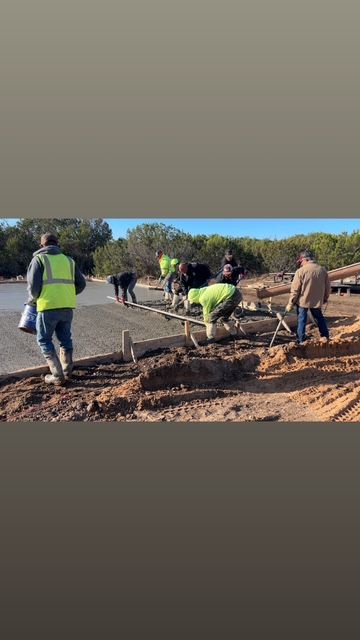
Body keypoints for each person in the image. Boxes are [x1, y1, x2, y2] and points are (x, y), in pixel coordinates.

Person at [26, 233, 86, 385]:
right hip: (67, 307)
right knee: (65, 339)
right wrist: (68, 294)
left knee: (44, 339)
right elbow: (81, 284)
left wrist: (34, 300)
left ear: (42, 246)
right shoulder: (69, 260)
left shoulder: (38, 259)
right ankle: (67, 371)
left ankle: (57, 376)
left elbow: (33, 289)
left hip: (47, 307)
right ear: (57, 244)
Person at [285, 250, 330, 345]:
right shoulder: (322, 270)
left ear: (304, 259)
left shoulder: (300, 271)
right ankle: (325, 336)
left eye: (300, 262)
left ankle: (301, 340)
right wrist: (325, 298)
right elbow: (327, 287)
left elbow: (295, 290)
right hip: (317, 301)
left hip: (303, 301)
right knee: (319, 317)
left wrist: (291, 303)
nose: (300, 264)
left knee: (302, 319)